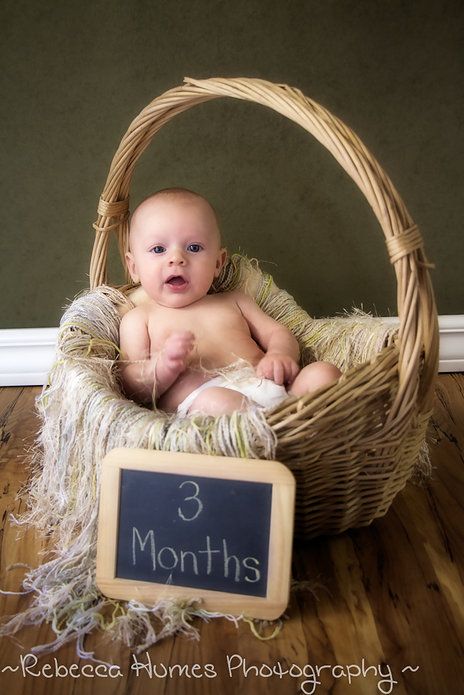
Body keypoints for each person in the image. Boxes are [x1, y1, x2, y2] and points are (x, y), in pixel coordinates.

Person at [119, 188, 341, 416]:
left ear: (218, 262)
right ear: (134, 267)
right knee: (218, 402)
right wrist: (161, 368)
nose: (177, 259)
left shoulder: (235, 301)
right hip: (206, 404)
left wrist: (279, 355)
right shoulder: (138, 319)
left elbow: (278, 333)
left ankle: (301, 434)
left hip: (273, 392)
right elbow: (131, 386)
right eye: (159, 249)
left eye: (194, 248)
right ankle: (271, 437)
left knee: (324, 373)